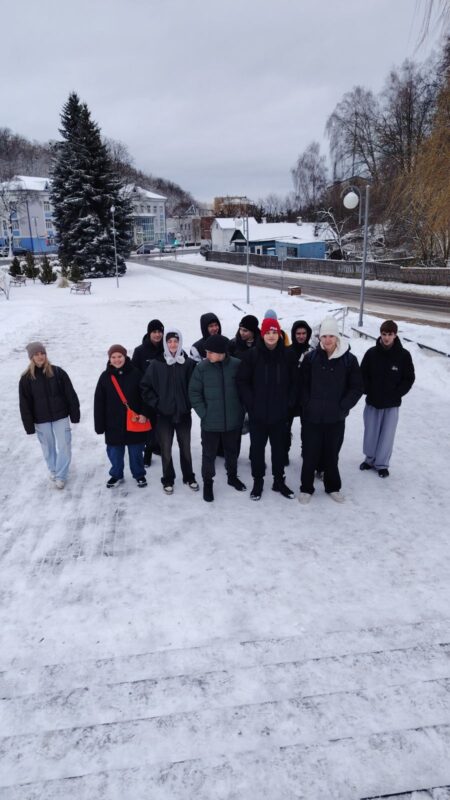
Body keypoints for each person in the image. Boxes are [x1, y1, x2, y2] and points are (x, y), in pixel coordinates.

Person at [298, 317, 363, 504]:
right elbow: (302, 385)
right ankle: (306, 488)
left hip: (335, 418)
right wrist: (307, 404)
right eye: (324, 336)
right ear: (319, 338)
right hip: (312, 417)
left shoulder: (349, 360)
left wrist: (343, 405)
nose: (327, 340)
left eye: (331, 336)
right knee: (310, 454)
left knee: (332, 454)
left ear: (337, 337)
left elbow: (357, 387)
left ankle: (333, 487)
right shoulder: (311, 358)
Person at [237, 317, 296, 501]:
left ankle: (279, 480)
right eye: (268, 332)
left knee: (279, 450)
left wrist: (288, 404)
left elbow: (296, 382)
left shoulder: (288, 355)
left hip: (280, 414)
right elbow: (242, 381)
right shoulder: (252, 355)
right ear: (262, 334)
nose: (271, 336)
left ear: (279, 334)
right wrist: (251, 404)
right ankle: (258, 481)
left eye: (274, 332)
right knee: (257, 450)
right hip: (258, 415)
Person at [189, 334, 246, 502]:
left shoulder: (237, 365)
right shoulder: (202, 368)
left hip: (232, 420)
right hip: (210, 422)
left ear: (221, 352)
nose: (207, 355)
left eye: (210, 352)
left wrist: (240, 410)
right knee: (209, 454)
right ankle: (208, 483)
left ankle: (232, 477)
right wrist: (204, 413)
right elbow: (194, 392)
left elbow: (245, 389)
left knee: (232, 452)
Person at [141, 329, 198, 495]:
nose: (173, 344)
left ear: (180, 343)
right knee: (165, 449)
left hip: (183, 414)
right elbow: (145, 387)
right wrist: (157, 404)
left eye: (176, 341)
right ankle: (168, 478)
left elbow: (195, 387)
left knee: (185, 447)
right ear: (165, 344)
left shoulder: (188, 363)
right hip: (164, 416)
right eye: (170, 341)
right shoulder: (156, 364)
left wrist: (188, 404)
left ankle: (189, 476)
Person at [19, 341, 80, 490]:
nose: (40, 356)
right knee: (48, 447)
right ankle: (53, 470)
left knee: (64, 445)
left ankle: (61, 475)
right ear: (31, 357)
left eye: (42, 353)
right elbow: (24, 404)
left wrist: (74, 413)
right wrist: (28, 425)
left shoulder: (58, 372)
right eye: (36, 354)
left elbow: (70, 394)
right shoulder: (26, 378)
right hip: (41, 419)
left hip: (60, 416)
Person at [360, 319, 415, 478]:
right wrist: (368, 390)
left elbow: (409, 378)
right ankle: (369, 459)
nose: (386, 337)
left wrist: (397, 393)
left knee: (387, 435)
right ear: (380, 334)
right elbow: (362, 374)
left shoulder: (403, 355)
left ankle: (382, 464)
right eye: (384, 334)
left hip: (391, 404)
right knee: (370, 432)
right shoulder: (371, 353)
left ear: (395, 335)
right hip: (373, 402)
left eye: (390, 334)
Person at [94, 345, 149, 488]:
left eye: (120, 356)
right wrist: (99, 425)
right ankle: (116, 474)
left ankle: (139, 474)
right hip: (112, 424)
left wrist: (144, 413)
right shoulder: (105, 377)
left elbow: (145, 396)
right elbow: (99, 402)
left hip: (134, 421)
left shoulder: (136, 373)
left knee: (136, 451)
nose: (117, 360)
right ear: (109, 359)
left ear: (125, 357)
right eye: (113, 357)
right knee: (114, 452)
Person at [131, 319, 165, 466]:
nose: (157, 335)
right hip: (147, 394)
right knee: (149, 427)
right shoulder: (140, 351)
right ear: (149, 333)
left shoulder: (166, 348)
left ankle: (159, 447)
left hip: (163, 394)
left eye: (160, 331)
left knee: (162, 426)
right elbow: (134, 373)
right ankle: (148, 452)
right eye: (154, 332)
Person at [286, 320, 313, 464]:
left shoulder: (313, 352)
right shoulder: (287, 351)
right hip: (290, 397)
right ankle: (284, 453)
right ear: (293, 334)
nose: (301, 336)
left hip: (306, 398)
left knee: (308, 429)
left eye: (304, 333)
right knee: (285, 428)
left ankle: (306, 452)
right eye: (298, 333)